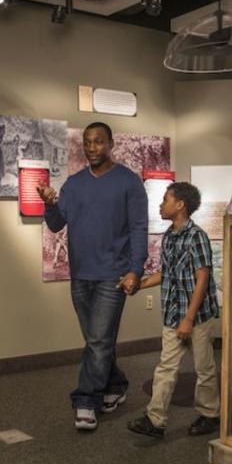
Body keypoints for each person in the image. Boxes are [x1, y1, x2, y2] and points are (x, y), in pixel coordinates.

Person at [37, 122, 148, 431]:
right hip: (80, 275)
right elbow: (58, 223)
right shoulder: (74, 184)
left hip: (113, 275)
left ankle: (86, 400)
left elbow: (139, 229)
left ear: (110, 143)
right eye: (87, 142)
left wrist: (135, 270)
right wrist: (49, 204)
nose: (92, 148)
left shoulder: (129, 182)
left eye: (98, 142)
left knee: (98, 340)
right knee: (97, 340)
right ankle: (117, 383)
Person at [127, 182, 220, 439]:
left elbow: (203, 278)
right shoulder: (168, 236)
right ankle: (155, 421)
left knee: (204, 369)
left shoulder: (197, 236)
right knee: (165, 368)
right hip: (172, 314)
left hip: (197, 317)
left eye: (166, 199)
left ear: (180, 205)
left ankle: (209, 415)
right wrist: (139, 285)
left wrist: (189, 319)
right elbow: (165, 273)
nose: (161, 204)